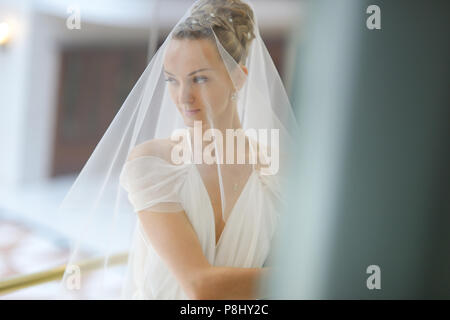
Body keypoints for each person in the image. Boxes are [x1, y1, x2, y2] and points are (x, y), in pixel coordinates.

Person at [56, 0, 298, 300]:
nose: (183, 96)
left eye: (199, 78)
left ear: (238, 77)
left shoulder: (275, 170)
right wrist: (307, 275)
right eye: (172, 80)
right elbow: (200, 287)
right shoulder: (154, 165)